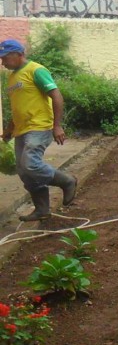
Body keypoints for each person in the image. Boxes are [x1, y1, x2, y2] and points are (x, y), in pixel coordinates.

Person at [0, 39, 77, 221]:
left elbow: (56, 96)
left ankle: (67, 181)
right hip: (22, 130)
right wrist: (9, 130)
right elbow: (18, 107)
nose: (2, 62)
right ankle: (42, 209)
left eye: (5, 58)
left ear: (18, 54)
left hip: (40, 126)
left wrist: (57, 125)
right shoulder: (11, 78)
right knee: (24, 171)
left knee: (30, 165)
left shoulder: (37, 70)